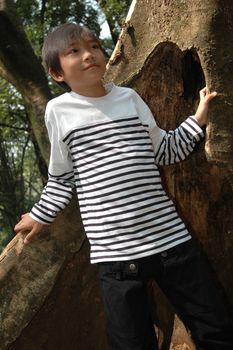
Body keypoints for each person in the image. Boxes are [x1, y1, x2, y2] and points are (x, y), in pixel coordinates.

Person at [14, 23, 233, 350]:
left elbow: (166, 149)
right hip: (116, 256)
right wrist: (39, 216)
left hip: (170, 240)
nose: (89, 54)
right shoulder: (59, 111)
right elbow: (62, 178)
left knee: (214, 326)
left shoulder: (129, 98)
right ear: (57, 73)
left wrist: (199, 117)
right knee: (130, 343)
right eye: (74, 51)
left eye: (94, 46)